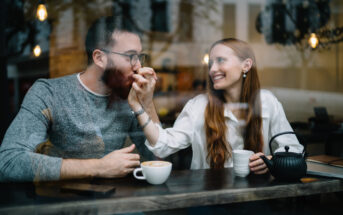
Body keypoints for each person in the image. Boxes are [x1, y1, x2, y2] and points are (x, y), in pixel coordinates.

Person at [0, 16, 158, 182]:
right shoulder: (50, 93)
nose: (138, 66)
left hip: (114, 203)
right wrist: (98, 167)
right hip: (60, 203)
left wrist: (147, 104)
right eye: (130, 56)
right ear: (99, 58)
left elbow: (158, 160)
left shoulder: (128, 97)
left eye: (139, 57)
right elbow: (8, 162)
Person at [128, 38, 303, 174]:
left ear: (246, 65)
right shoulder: (198, 106)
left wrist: (271, 161)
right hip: (208, 200)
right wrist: (142, 105)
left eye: (220, 60)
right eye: (211, 63)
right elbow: (162, 145)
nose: (212, 69)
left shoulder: (267, 102)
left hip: (257, 198)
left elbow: (294, 150)